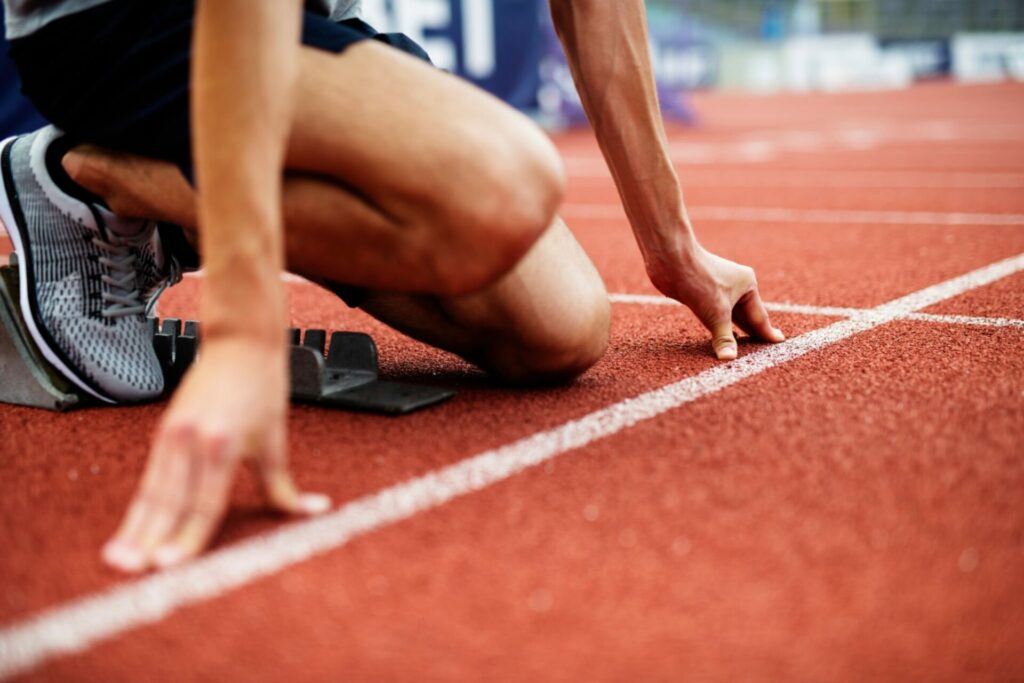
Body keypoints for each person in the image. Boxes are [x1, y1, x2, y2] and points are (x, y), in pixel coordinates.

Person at [0, 0, 785, 573]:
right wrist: (243, 331)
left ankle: (161, 210)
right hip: (116, 21)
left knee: (560, 328)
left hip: (310, 25)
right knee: (497, 187)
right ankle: (85, 180)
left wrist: (671, 244)